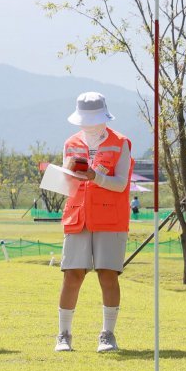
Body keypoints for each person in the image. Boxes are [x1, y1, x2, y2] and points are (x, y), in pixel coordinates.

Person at [55, 93, 134, 353]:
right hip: (77, 215)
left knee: (108, 274)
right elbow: (65, 186)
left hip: (110, 219)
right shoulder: (70, 143)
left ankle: (107, 334)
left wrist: (94, 176)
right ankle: (63, 335)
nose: (87, 126)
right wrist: (64, 173)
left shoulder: (120, 143)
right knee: (72, 274)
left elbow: (121, 183)